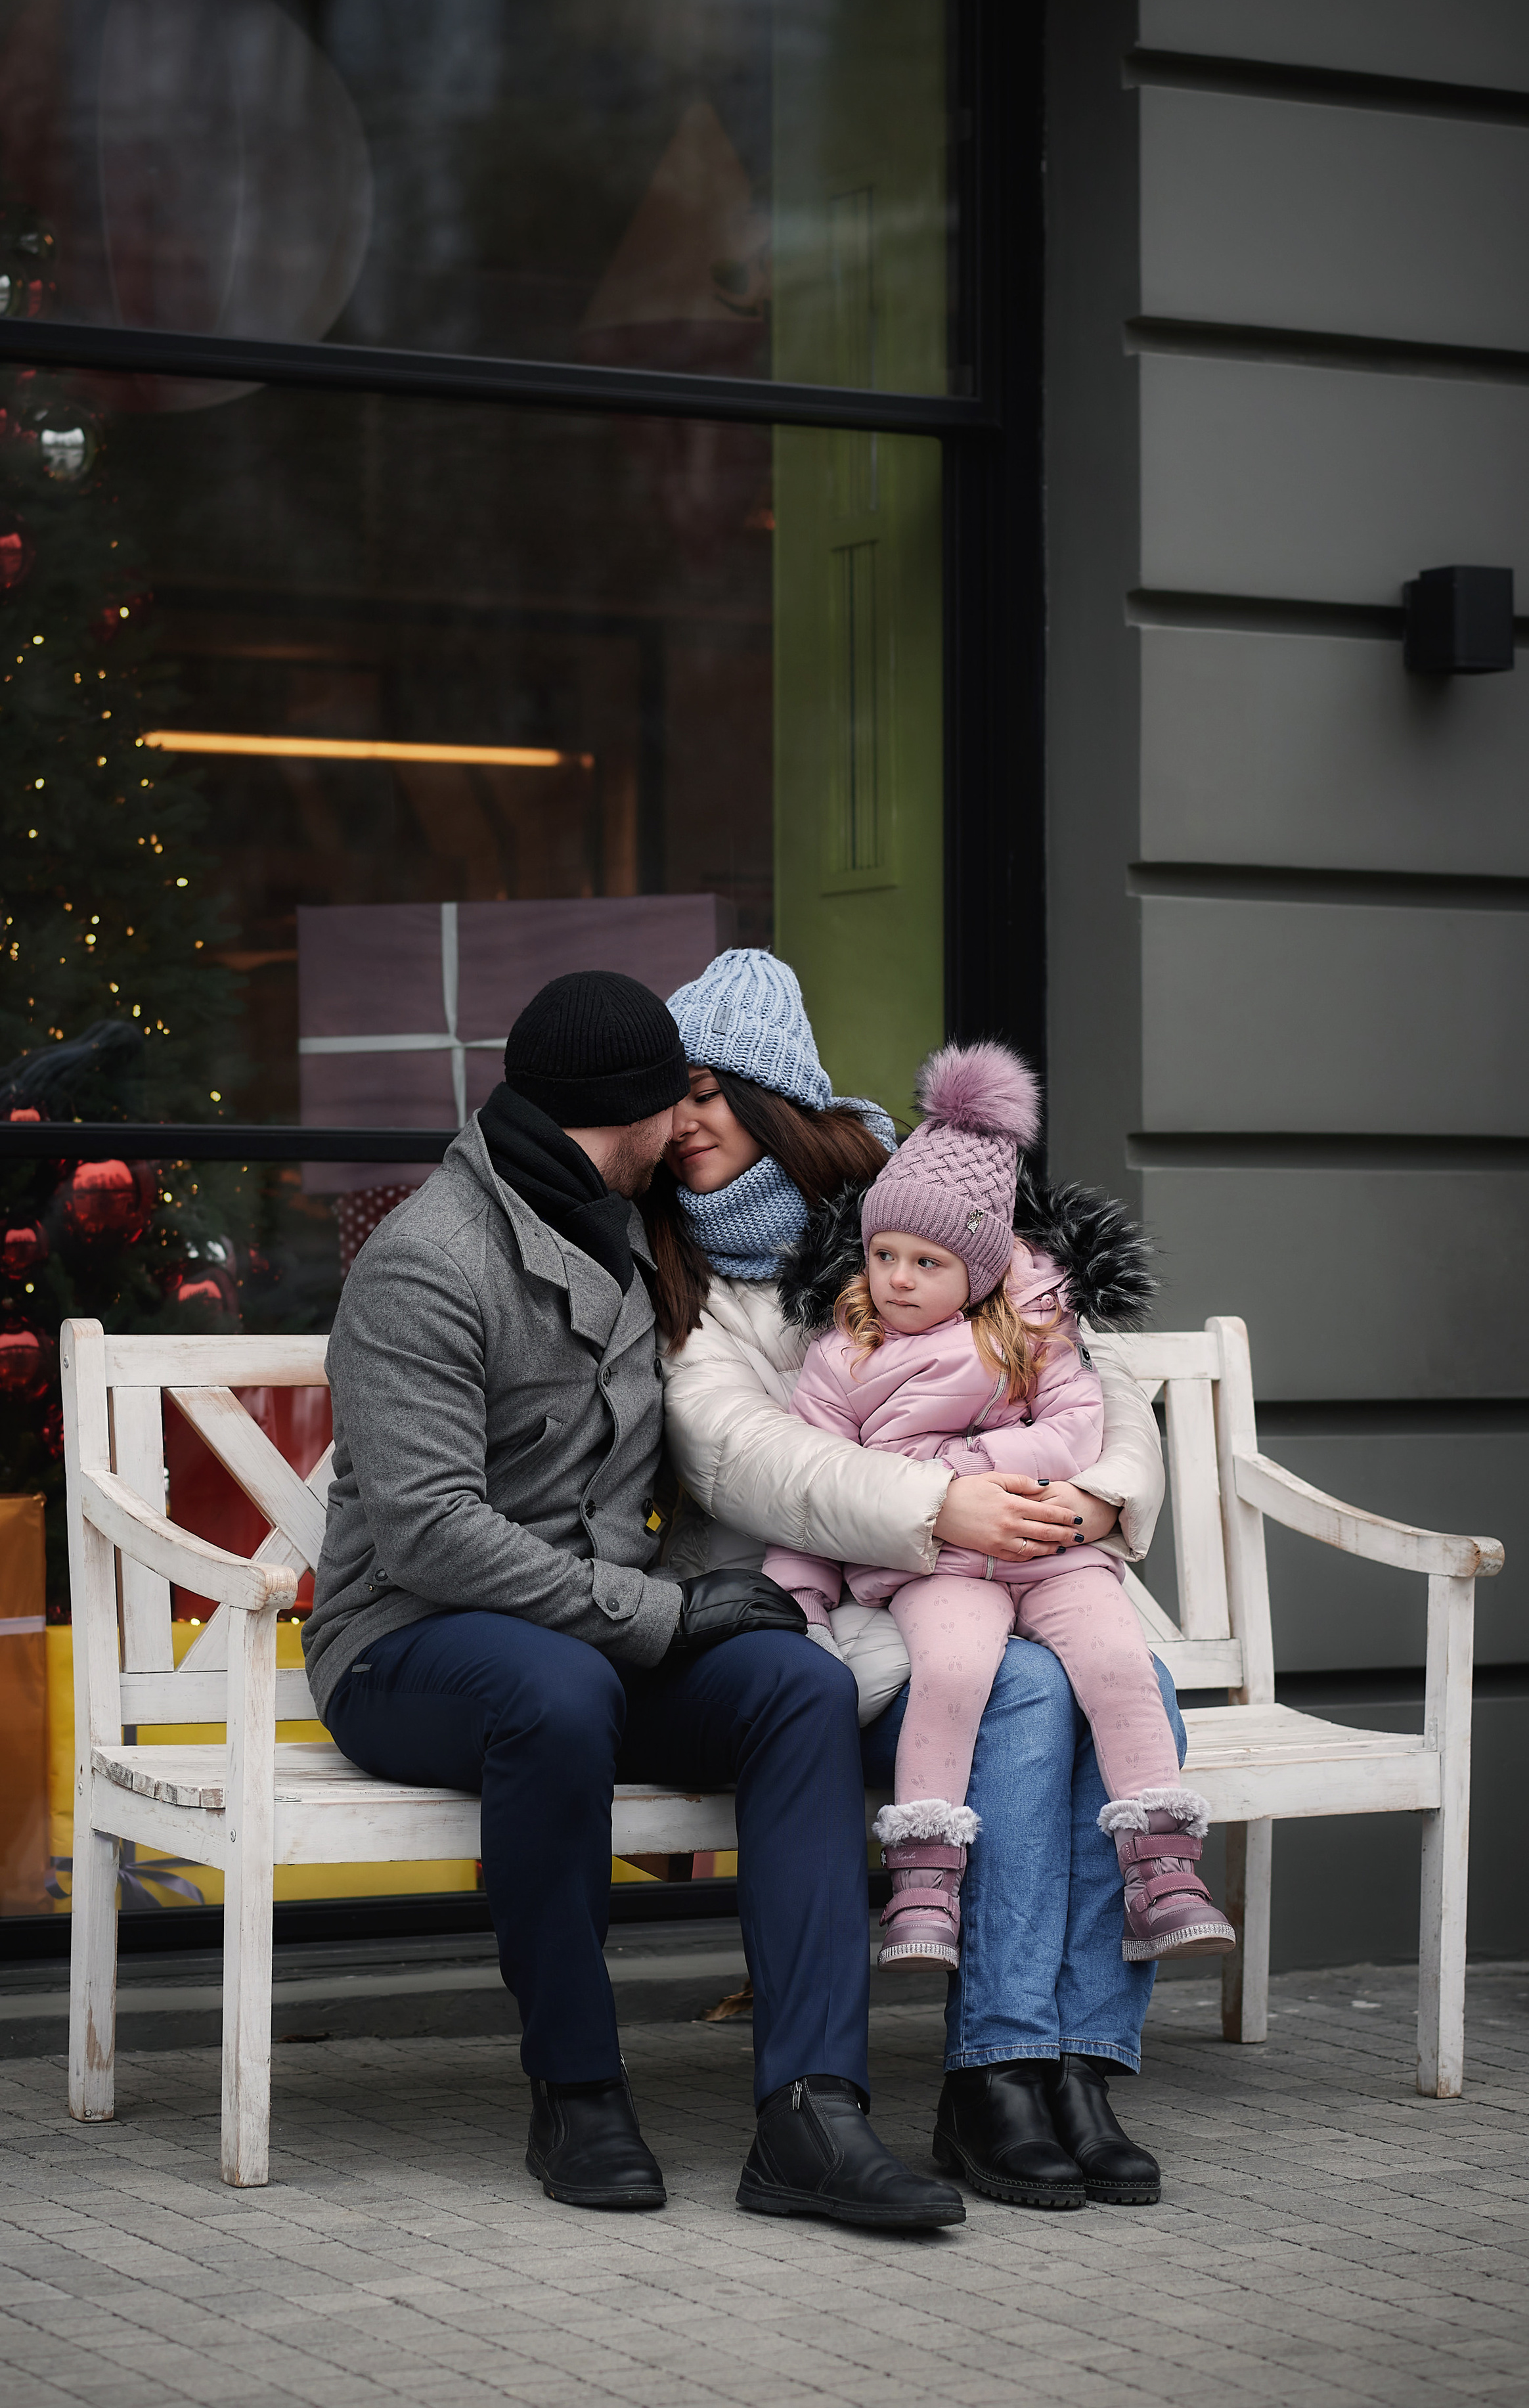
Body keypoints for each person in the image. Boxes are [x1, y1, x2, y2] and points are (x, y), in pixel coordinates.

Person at [303, 968, 964, 2231]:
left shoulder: (633, 1221)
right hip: (409, 1644)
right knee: (548, 1692)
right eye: (679, 1101)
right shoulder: (427, 1263)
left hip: (596, 1631)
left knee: (794, 1684)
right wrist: (668, 1614)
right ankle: (579, 2087)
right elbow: (431, 1534)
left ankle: (814, 2114)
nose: (692, 1128)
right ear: (633, 1113)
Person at [650, 947, 1184, 2209]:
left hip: (1023, 1560)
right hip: (831, 1608)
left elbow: (1091, 1376)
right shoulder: (687, 1279)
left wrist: (1098, 1496)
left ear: (775, 1097)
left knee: (1139, 1689)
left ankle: (1078, 2064)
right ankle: (996, 2069)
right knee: (1030, 1701)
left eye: (708, 1094)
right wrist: (943, 1505)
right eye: (670, 1100)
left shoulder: (925, 1203)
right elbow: (738, 1456)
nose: (682, 1126)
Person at [761, 1038, 1235, 1976]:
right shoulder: (840, 1356)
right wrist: (800, 1597)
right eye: (885, 1253)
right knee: (954, 1672)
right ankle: (924, 1881)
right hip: (935, 1566)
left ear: (978, 1270)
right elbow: (813, 1479)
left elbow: (1074, 1432)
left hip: (1050, 1549)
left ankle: (1162, 1867)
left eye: (926, 1261)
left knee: (1116, 1663)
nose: (897, 1278)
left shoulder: (1033, 1334)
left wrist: (966, 1464)